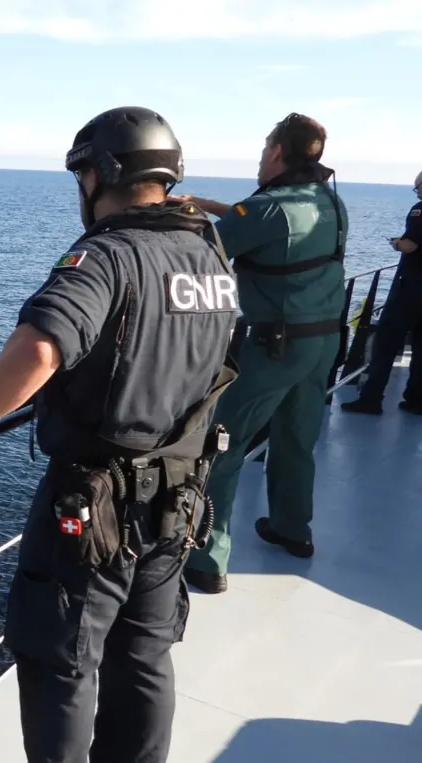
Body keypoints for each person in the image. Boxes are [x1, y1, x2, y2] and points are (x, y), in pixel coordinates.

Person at [0, 107, 237, 763]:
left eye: (83, 174)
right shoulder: (211, 260)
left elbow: (43, 345)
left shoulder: (110, 257)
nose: (81, 189)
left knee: (62, 652)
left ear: (103, 175)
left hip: (96, 507)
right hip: (178, 500)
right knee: (145, 654)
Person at [175, 114, 347, 591]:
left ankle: (207, 561)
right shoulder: (328, 200)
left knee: (223, 443)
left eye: (263, 149)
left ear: (275, 152)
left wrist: (184, 214)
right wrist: (207, 203)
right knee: (296, 438)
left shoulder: (267, 210)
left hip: (275, 346)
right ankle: (294, 531)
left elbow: (212, 247)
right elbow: (267, 222)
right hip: (323, 342)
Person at [341, 170, 422, 415]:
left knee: (385, 343)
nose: (417, 191)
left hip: (411, 289)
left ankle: (371, 399)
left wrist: (397, 242)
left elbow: (410, 245)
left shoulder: (419, 211)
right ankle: (416, 400)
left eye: (418, 187)